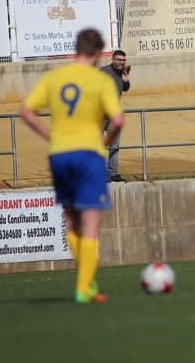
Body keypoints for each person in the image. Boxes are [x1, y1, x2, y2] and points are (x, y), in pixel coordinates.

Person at [18, 29, 124, 303]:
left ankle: (87, 284)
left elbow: (25, 112)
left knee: (70, 219)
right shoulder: (100, 81)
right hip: (89, 153)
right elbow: (118, 120)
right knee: (90, 222)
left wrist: (50, 135)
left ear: (73, 50)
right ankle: (83, 287)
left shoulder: (54, 78)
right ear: (100, 52)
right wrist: (104, 142)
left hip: (60, 155)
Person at [100, 49, 130, 182]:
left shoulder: (122, 72)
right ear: (113, 59)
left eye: (123, 60)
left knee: (115, 144)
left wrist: (125, 79)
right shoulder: (103, 71)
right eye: (119, 60)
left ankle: (113, 173)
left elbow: (125, 88)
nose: (121, 62)